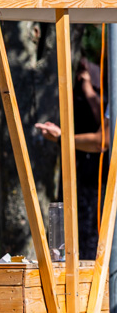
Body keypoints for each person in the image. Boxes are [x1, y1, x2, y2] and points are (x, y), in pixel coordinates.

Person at [34, 57, 110, 255]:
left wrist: (61, 138)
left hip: (96, 177)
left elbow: (102, 140)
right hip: (84, 172)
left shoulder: (101, 89)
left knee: (92, 242)